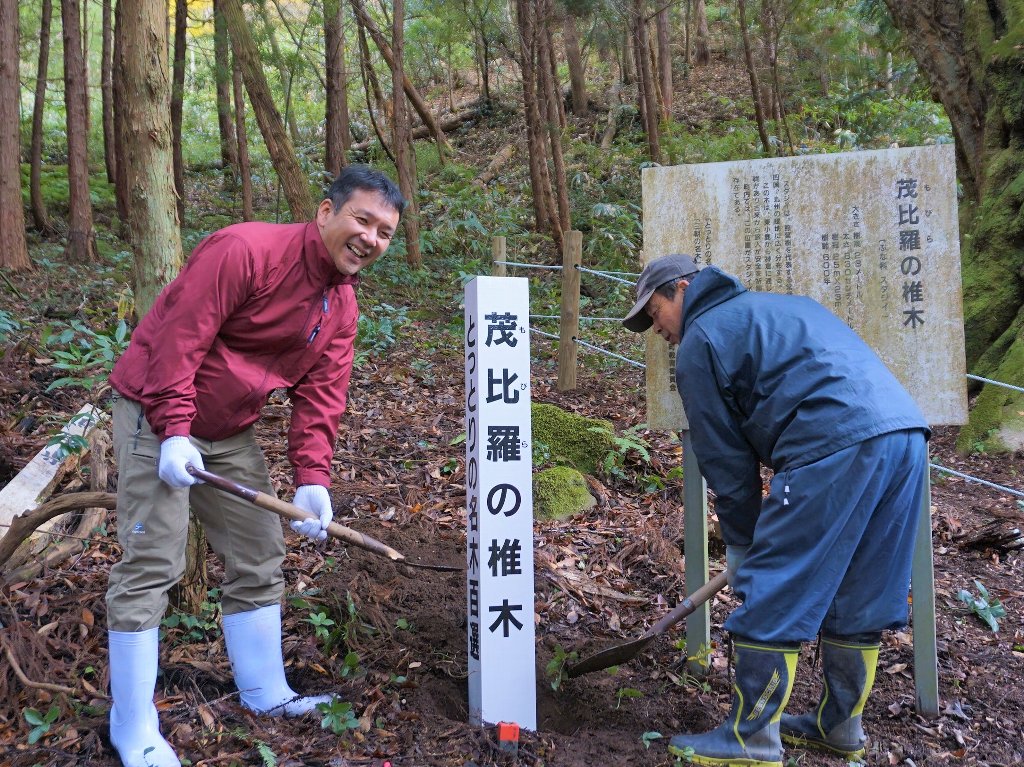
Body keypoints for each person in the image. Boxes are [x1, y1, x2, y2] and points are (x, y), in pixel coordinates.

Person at [104, 165, 404, 767]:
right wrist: (175, 429)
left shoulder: (340, 306)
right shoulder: (245, 250)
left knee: (260, 549)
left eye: (386, 232)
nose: (371, 238)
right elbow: (179, 339)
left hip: (229, 432)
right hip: (155, 414)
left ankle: (266, 694)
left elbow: (322, 394)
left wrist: (313, 477)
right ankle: (131, 724)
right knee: (154, 559)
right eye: (362, 220)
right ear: (326, 213)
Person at [622, 254, 930, 767]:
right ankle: (840, 727)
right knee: (862, 589)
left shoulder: (702, 340)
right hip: (904, 438)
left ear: (681, 289)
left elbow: (726, 461)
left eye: (655, 312)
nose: (656, 329)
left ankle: (750, 740)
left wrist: (744, 546)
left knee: (774, 588)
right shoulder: (785, 308)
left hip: (831, 446)